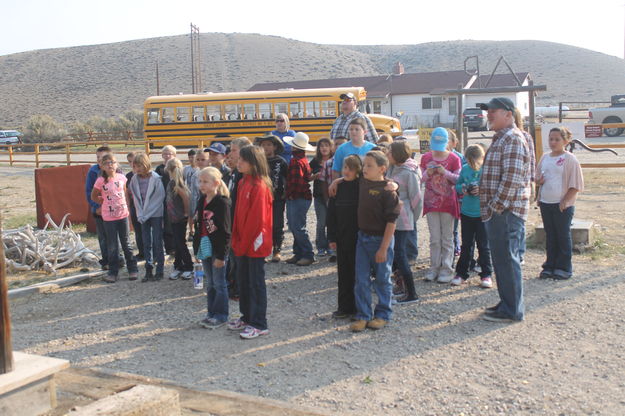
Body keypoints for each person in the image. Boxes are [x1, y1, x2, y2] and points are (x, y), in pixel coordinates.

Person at [479, 97, 533, 323]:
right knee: (501, 260)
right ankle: (507, 303)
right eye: (488, 111)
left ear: (508, 114)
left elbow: (512, 179)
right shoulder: (502, 138)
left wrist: (495, 208)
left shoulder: (512, 139)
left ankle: (512, 310)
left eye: (494, 111)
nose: (489, 114)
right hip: (500, 211)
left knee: (507, 260)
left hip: (506, 212)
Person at [350, 151, 400, 332]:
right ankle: (363, 315)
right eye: (364, 165)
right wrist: (336, 181)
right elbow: (347, 177)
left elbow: (391, 223)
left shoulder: (388, 192)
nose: (365, 168)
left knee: (382, 279)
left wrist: (383, 248)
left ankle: (383, 314)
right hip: (362, 238)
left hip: (380, 240)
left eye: (369, 165)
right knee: (361, 279)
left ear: (382, 168)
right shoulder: (363, 182)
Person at [228, 145, 273, 339]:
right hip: (242, 243)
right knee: (243, 282)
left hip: (254, 245)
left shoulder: (259, 186)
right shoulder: (243, 182)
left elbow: (257, 222)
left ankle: (259, 323)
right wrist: (236, 238)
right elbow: (238, 215)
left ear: (253, 163)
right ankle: (247, 317)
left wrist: (245, 242)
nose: (238, 163)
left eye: (242, 160)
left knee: (255, 283)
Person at [536, 126, 583, 280]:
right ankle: (550, 265)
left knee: (562, 235)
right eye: (551, 139)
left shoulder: (570, 159)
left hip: (562, 204)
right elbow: (537, 177)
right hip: (545, 202)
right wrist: (538, 182)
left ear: (565, 141)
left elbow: (576, 184)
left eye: (557, 139)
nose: (553, 142)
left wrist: (566, 200)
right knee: (550, 235)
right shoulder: (545, 157)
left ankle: (564, 267)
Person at [420, 127, 461, 283]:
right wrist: (427, 174)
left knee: (447, 238)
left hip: (448, 203)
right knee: (434, 238)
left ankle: (447, 269)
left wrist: (445, 172)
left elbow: (458, 179)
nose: (437, 151)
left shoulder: (453, 159)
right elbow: (420, 179)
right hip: (431, 203)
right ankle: (433, 268)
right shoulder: (425, 158)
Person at [91, 154, 138, 283]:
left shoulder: (122, 178)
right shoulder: (100, 181)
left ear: (117, 164)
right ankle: (113, 272)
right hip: (109, 217)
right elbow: (94, 195)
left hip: (122, 215)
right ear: (102, 166)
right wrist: (102, 202)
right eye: (106, 163)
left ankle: (132, 269)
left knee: (127, 243)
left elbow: (125, 193)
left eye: (112, 162)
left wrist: (127, 208)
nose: (110, 165)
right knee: (112, 245)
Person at [194, 167, 232, 329]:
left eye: (205, 181)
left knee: (219, 283)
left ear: (216, 183)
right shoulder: (202, 200)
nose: (201, 185)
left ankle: (221, 315)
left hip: (217, 249)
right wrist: (196, 249)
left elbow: (225, 232)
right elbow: (198, 226)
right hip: (205, 245)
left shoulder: (222, 203)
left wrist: (221, 256)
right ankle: (211, 313)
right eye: (200, 181)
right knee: (210, 283)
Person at [451, 145, 493, 288]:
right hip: (467, 212)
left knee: (483, 245)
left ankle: (486, 274)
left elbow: (492, 188)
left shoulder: (486, 170)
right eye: (469, 161)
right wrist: (464, 189)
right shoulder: (465, 169)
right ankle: (461, 273)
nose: (472, 165)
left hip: (482, 213)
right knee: (467, 245)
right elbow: (457, 186)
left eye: (473, 161)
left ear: (482, 158)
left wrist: (481, 190)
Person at [327, 155, 362, 319]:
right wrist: (331, 237)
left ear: (358, 171)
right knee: (343, 274)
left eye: (351, 168)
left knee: (358, 275)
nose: (347, 171)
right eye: (345, 168)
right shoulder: (337, 188)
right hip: (341, 237)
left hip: (359, 238)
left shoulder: (362, 186)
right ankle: (344, 307)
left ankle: (358, 308)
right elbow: (331, 214)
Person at [387, 140, 421, 304]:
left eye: (389, 152)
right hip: (392, 218)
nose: (387, 154)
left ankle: (412, 293)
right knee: (394, 254)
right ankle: (401, 286)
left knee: (400, 254)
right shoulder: (392, 168)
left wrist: (414, 218)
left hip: (404, 219)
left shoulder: (409, 173)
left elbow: (416, 198)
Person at [128, 152, 166, 282]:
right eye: (135, 166)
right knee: (146, 242)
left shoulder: (156, 178)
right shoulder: (134, 179)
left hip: (155, 214)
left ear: (146, 165)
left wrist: (146, 213)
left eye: (139, 166)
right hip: (143, 216)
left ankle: (160, 270)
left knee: (157, 241)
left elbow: (158, 198)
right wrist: (140, 214)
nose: (137, 169)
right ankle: (148, 270)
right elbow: (136, 199)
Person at [224, 137, 252, 300]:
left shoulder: (245, 176)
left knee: (239, 258)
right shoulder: (234, 173)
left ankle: (239, 289)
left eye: (234, 150)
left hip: (240, 224)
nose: (230, 154)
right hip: (232, 221)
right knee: (233, 256)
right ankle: (233, 284)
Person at [283, 132, 316, 266]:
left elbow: (295, 183)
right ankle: (299, 253)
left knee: (297, 227)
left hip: (297, 197)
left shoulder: (296, 161)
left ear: (294, 147)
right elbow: (306, 178)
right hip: (302, 197)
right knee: (297, 226)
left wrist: (289, 195)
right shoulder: (302, 160)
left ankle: (307, 254)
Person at [256, 134, 288, 263]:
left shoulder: (280, 161)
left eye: (269, 144)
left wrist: (286, 192)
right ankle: (263, 251)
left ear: (275, 146)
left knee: (277, 224)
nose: (266, 147)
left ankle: (277, 250)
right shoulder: (258, 162)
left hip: (278, 198)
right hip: (261, 199)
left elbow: (287, 178)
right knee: (262, 225)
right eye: (263, 145)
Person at [85, 146, 118, 270]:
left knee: (115, 236)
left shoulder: (117, 171)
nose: (99, 160)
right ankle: (107, 261)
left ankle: (117, 258)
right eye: (97, 157)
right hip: (99, 210)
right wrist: (97, 206)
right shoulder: (93, 172)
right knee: (103, 237)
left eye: (102, 157)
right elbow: (89, 192)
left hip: (114, 210)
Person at [513, 108, 537, 265]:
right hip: (508, 184)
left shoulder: (526, 136)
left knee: (519, 221)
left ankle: (519, 253)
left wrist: (533, 182)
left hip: (522, 184)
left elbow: (532, 161)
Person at [165, 158, 193, 280]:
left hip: (179, 218)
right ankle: (178, 266)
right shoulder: (174, 182)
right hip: (174, 218)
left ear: (168, 170)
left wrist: (186, 212)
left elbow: (186, 197)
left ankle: (188, 266)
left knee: (180, 243)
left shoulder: (175, 183)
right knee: (177, 243)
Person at [309, 137, 334, 258]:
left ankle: (330, 246)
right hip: (319, 196)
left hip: (332, 196)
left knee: (331, 222)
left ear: (331, 147)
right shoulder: (314, 161)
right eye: (321, 146)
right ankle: (320, 246)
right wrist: (316, 176)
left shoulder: (335, 160)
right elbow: (307, 177)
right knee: (321, 222)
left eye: (326, 145)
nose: (324, 148)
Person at [155, 145, 177, 255]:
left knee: (176, 223)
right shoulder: (159, 169)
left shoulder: (177, 166)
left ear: (174, 155)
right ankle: (169, 248)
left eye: (170, 153)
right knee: (166, 224)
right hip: (163, 199)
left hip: (175, 199)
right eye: (165, 153)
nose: (167, 155)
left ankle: (177, 246)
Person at [447, 129, 466, 257]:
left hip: (458, 197)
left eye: (447, 141)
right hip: (443, 198)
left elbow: (462, 178)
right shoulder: (434, 156)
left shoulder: (459, 158)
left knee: (454, 227)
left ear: (455, 143)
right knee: (448, 228)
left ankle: (456, 248)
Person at [125, 152, 144, 260]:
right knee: (138, 230)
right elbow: (127, 192)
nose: (132, 163)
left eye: (134, 161)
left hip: (144, 206)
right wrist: (128, 206)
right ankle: (141, 252)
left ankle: (149, 251)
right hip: (134, 206)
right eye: (130, 161)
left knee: (146, 230)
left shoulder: (146, 174)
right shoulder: (128, 176)